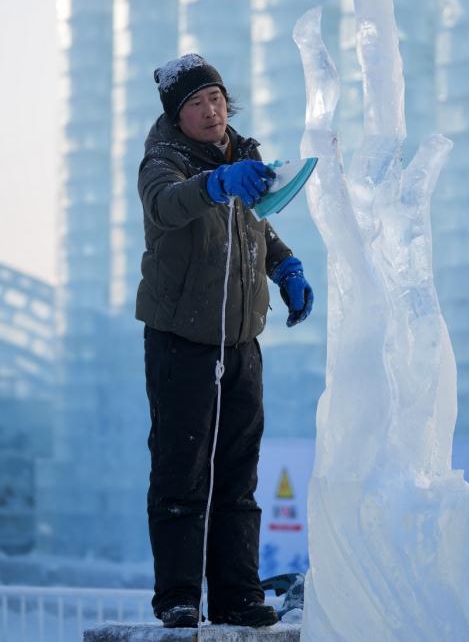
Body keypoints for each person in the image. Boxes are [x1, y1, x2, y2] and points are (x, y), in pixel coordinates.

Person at [136, 53, 314, 629]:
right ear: (176, 113)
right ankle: (179, 599)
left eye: (215, 97)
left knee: (240, 477)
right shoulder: (162, 161)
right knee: (182, 473)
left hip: (240, 343)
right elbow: (167, 206)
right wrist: (213, 183)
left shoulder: (243, 154)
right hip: (182, 342)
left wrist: (285, 267)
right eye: (195, 102)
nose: (210, 110)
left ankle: (238, 596)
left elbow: (255, 221)